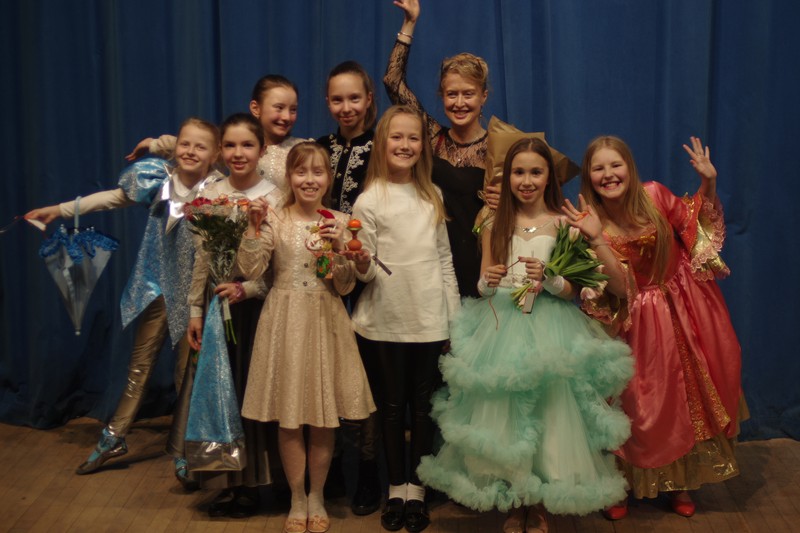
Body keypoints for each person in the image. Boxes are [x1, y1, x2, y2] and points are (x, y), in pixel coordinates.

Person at [416, 137, 633, 533]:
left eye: (536, 172)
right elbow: (484, 281)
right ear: (507, 177)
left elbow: (572, 290)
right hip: (503, 326)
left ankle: (540, 503)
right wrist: (488, 281)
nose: (527, 181)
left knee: (548, 414)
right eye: (519, 172)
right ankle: (516, 500)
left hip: (551, 329)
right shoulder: (492, 221)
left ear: (549, 177)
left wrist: (550, 280)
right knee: (508, 417)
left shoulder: (564, 223)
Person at [25, 118, 223, 485]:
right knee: (139, 365)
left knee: (188, 374)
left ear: (214, 155)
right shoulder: (158, 181)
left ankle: (183, 448)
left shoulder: (219, 191)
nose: (190, 151)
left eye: (201, 147)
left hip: (195, 296)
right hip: (156, 285)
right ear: (175, 147)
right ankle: (114, 435)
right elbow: (113, 199)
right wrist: (61, 209)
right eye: (185, 144)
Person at [562, 135, 743, 519]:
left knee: (685, 400)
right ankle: (620, 486)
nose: (608, 174)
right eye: (598, 168)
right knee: (632, 404)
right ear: (589, 176)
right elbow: (613, 289)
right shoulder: (590, 223)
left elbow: (695, 229)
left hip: (681, 309)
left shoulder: (655, 196)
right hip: (631, 320)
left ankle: (680, 483)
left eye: (615, 165)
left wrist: (708, 182)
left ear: (629, 167)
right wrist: (595, 238)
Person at [236, 141, 375, 533]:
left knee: (322, 419)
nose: (309, 180)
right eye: (301, 172)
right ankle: (297, 497)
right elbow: (250, 269)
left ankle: (317, 496)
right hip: (284, 319)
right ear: (290, 177)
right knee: (291, 418)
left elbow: (344, 286)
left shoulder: (341, 220)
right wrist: (252, 227)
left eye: (317, 172)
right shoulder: (276, 218)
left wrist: (339, 247)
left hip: (325, 319)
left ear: (328, 178)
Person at [350, 105, 461, 532]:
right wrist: (362, 262)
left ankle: (418, 489)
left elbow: (444, 260)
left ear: (423, 146)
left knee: (424, 409)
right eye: (396, 137)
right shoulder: (369, 199)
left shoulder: (432, 195)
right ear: (382, 143)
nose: (405, 145)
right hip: (385, 321)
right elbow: (367, 271)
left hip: (429, 319)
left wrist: (453, 319)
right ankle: (396, 487)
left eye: (413, 138)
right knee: (392, 408)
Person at [177, 113, 285, 518]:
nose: (238, 153)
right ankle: (228, 480)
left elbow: (280, 267)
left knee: (251, 394)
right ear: (220, 151)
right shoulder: (211, 193)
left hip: (258, 310)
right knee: (223, 394)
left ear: (261, 150)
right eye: (230, 145)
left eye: (247, 145)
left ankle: (256, 483)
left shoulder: (275, 197)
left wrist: (248, 289)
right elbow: (203, 259)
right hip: (219, 307)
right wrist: (195, 309)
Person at [384, 0, 499, 298]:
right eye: (451, 94)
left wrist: (505, 200)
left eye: (468, 94)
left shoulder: (498, 146)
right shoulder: (432, 135)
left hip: (478, 261)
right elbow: (393, 82)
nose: (459, 103)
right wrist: (409, 24)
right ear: (442, 96)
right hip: (431, 260)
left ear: (484, 97)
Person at [315, 60, 383, 516]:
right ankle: (335, 465)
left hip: (367, 274)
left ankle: (369, 470)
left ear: (369, 99)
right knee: (325, 371)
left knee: (365, 376)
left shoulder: (381, 148)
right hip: (322, 275)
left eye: (354, 98)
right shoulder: (318, 148)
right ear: (327, 102)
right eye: (337, 99)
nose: (346, 107)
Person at [128, 74, 306, 198]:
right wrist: (153, 144)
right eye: (279, 108)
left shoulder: (301, 149)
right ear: (255, 108)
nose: (286, 117)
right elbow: (195, 146)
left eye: (293, 110)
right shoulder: (234, 146)